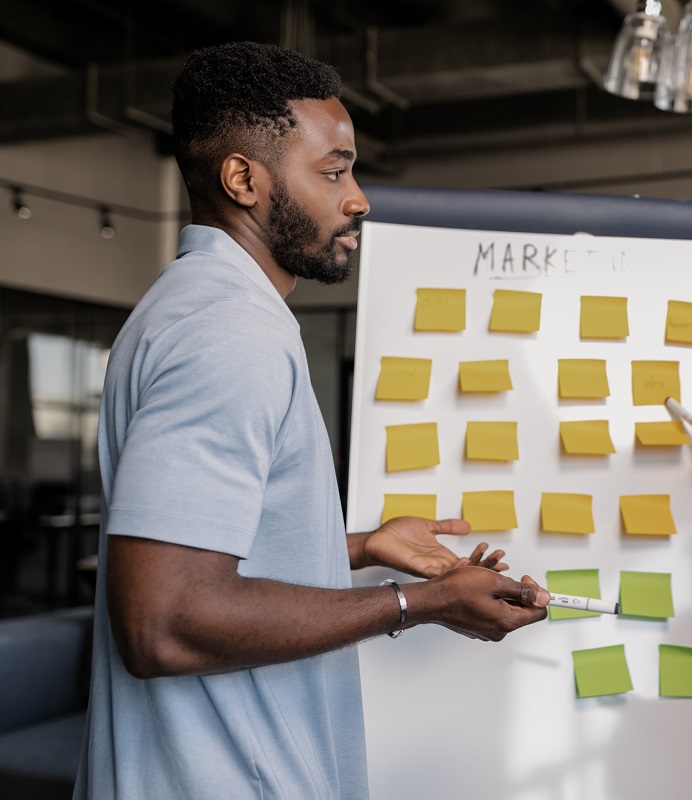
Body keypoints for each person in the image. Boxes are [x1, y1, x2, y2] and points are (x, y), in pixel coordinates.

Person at [73, 41, 549, 800]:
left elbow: (199, 554)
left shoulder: (193, 307)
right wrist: (420, 603)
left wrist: (356, 546)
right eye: (333, 172)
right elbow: (163, 622)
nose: (358, 199)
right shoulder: (228, 332)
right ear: (243, 179)